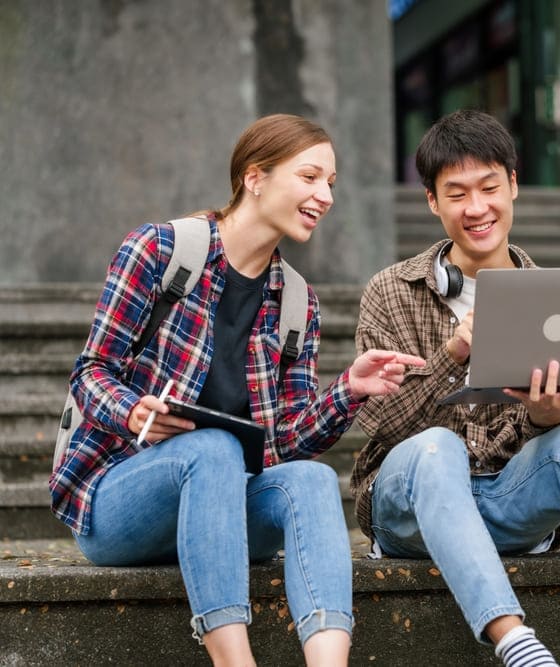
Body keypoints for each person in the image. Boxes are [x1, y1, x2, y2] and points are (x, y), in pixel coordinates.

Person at [49, 113, 425, 666]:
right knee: (213, 446)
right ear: (255, 177)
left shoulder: (297, 303)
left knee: (313, 480)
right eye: (310, 177)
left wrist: (349, 389)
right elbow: (91, 372)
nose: (324, 195)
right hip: (116, 503)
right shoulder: (158, 251)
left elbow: (284, 443)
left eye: (331, 184)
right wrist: (134, 413)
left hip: (223, 507)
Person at [348, 109, 560, 667]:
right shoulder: (389, 292)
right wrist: (453, 357)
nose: (477, 208)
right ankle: (515, 644)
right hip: (410, 510)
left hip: (510, 503)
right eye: (456, 194)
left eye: (489, 187)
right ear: (432, 201)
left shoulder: (557, 298)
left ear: (514, 186)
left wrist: (546, 418)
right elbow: (381, 428)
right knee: (440, 447)